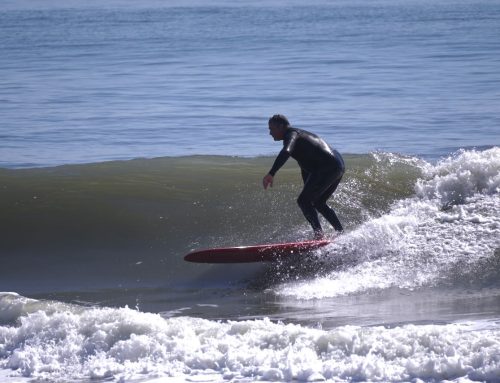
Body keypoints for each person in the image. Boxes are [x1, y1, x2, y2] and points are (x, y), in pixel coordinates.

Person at [263, 114, 345, 240]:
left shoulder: (292, 135)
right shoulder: (301, 139)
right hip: (337, 165)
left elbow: (286, 151)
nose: (270, 133)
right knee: (318, 202)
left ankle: (319, 236)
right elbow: (306, 166)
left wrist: (271, 173)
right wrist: (307, 187)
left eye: (271, 129)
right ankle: (340, 233)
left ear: (281, 127)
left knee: (303, 201)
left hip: (327, 166)